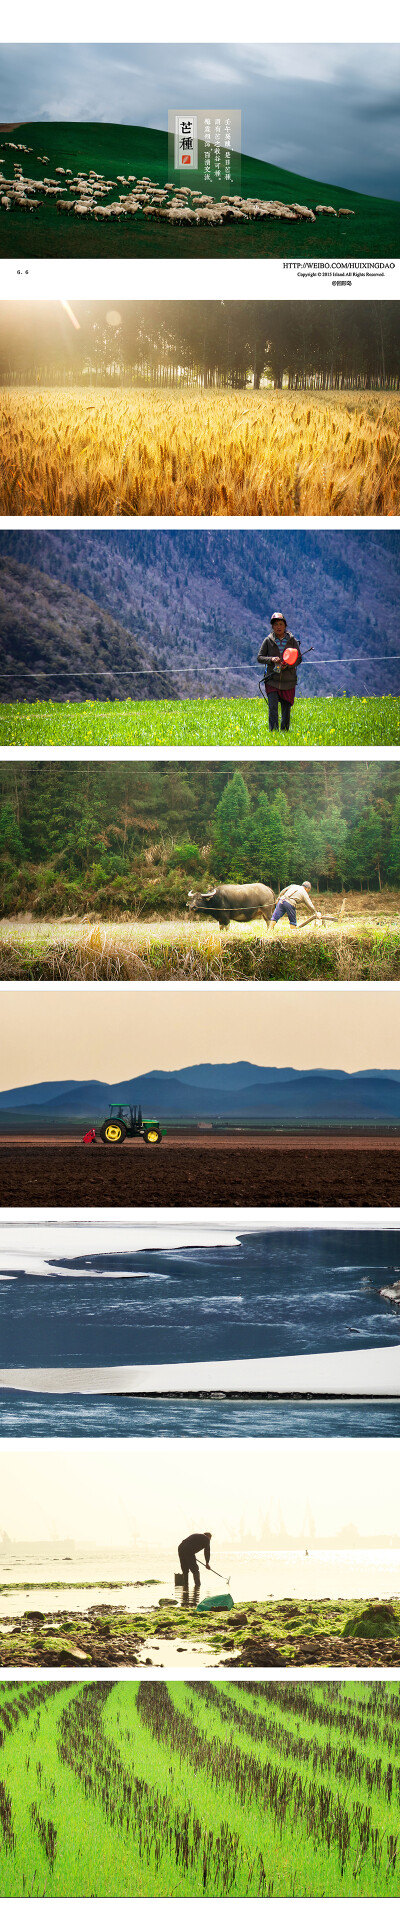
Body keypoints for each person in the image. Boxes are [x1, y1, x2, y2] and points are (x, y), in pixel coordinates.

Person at [257, 612, 302, 733]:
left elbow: (299, 658)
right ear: (272, 626)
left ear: (285, 625)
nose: (278, 627)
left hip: (289, 681)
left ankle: (285, 732)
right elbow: (260, 657)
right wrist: (271, 659)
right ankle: (274, 733)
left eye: (281, 624)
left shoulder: (292, 641)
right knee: (273, 708)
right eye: (276, 624)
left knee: (286, 708)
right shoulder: (268, 640)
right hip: (272, 680)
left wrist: (288, 665)